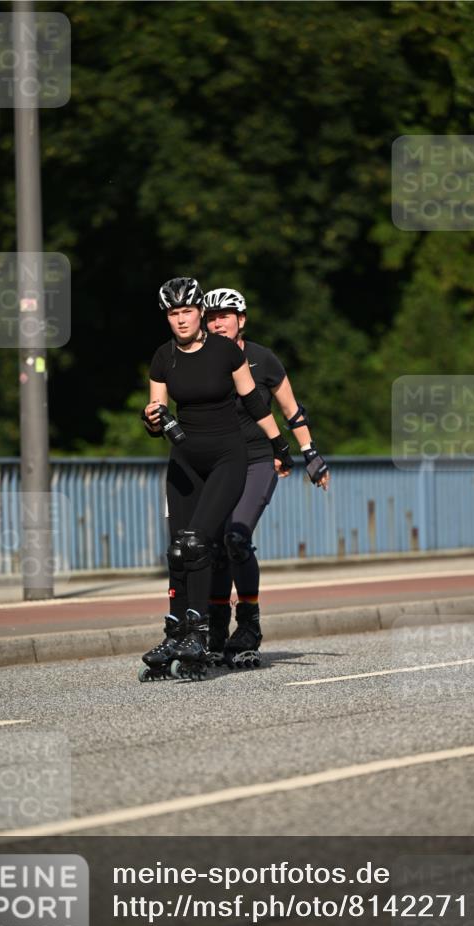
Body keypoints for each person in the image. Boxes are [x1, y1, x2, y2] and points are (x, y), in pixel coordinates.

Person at [139, 277, 294, 681]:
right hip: (185, 460)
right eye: (173, 314)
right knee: (176, 549)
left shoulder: (225, 351)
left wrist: (280, 445)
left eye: (187, 311)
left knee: (198, 543)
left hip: (227, 457)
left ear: (199, 313)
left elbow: (253, 400)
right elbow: (157, 410)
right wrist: (151, 418)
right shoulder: (163, 358)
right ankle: (177, 632)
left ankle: (202, 633)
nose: (181, 320)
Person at [202, 287, 330, 667]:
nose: (217, 322)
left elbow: (291, 410)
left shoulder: (262, 359)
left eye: (225, 315)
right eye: (211, 317)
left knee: (236, 538)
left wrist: (310, 454)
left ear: (241, 320)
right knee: (212, 546)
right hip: (217, 463)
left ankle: (249, 627)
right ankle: (215, 627)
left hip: (259, 460)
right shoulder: (201, 359)